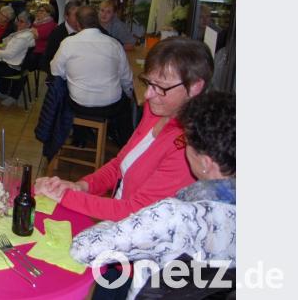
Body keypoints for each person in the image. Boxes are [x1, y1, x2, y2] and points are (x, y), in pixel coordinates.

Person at [70, 91, 235, 300]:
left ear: (205, 163)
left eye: (188, 143)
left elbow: (84, 250)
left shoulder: (175, 216)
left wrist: (110, 224)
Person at [36, 36, 214, 222]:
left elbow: (136, 212)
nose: (147, 94)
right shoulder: (156, 112)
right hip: (118, 222)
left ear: (195, 87)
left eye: (160, 87)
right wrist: (82, 186)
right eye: (148, 83)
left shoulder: (189, 148)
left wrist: (65, 196)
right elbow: (120, 165)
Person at [49, 5, 134, 146]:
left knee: (71, 94)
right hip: (110, 105)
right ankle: (126, 146)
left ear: (77, 24)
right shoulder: (114, 44)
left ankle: (81, 138)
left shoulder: (68, 43)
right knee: (125, 105)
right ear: (97, 21)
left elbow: (55, 71)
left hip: (79, 104)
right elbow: (126, 79)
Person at [0, 11, 36, 107]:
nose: (18, 23)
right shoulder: (27, 34)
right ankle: (2, 91)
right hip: (17, 65)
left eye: (21, 21)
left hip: (14, 68)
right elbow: (11, 49)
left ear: (28, 24)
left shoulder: (23, 37)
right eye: (18, 20)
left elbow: (10, 54)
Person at [42, 0, 80, 74]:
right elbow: (48, 62)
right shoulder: (57, 34)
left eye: (81, 15)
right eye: (76, 15)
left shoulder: (84, 29)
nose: (79, 18)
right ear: (66, 16)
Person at [26, 3, 57, 71]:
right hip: (31, 48)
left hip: (40, 53)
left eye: (42, 11)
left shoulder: (51, 24)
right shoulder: (36, 23)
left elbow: (37, 36)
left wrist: (31, 32)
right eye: (38, 11)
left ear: (49, 13)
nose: (39, 13)